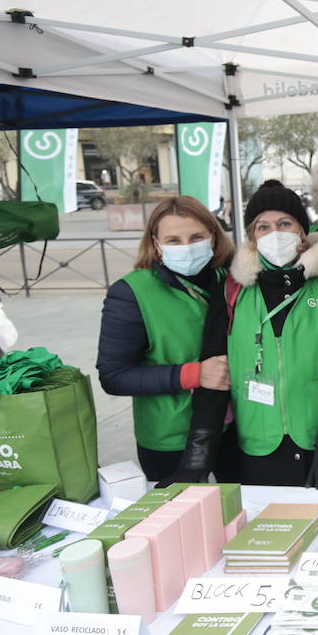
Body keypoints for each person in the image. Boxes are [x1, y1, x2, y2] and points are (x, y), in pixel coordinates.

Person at [174, 180, 318, 487]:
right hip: (262, 451)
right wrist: (196, 460)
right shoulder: (231, 290)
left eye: (285, 223)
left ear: (302, 231)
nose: (275, 234)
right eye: (263, 227)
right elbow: (214, 378)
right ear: (252, 237)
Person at [97, 196, 234, 481]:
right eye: (173, 240)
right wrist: (194, 374)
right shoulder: (132, 293)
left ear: (213, 237)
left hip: (238, 430)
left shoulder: (232, 280)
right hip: (172, 438)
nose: (187, 247)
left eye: (196, 237)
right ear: (157, 246)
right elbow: (114, 376)